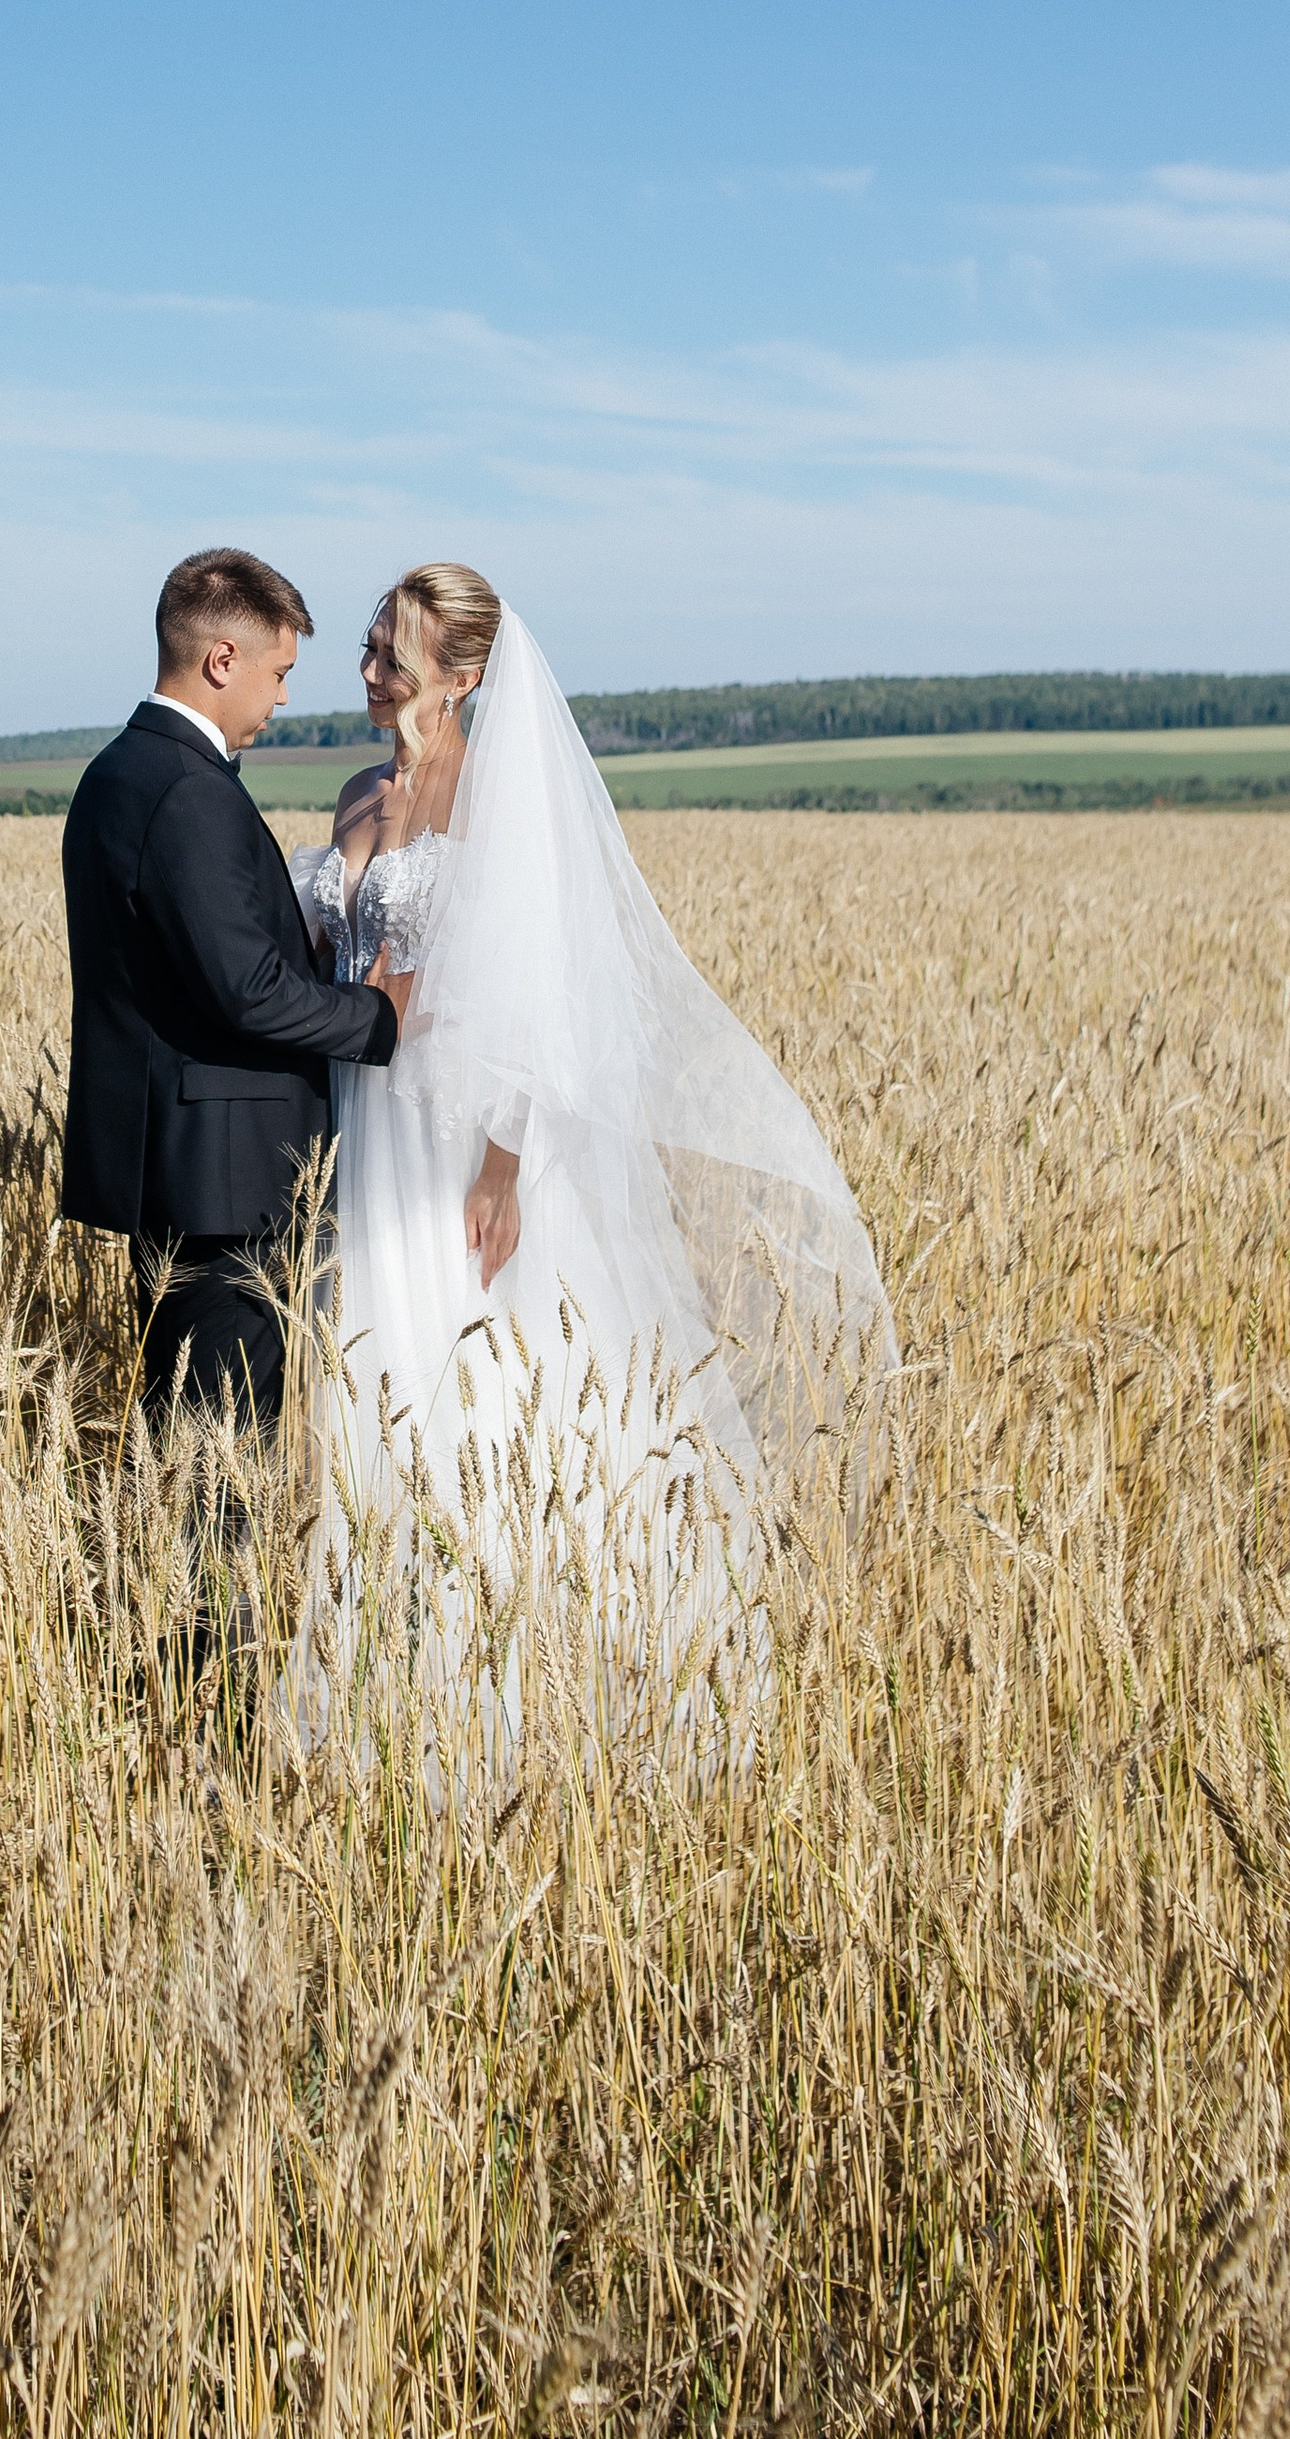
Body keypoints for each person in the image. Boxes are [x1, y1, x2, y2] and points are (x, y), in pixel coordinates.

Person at [289, 564, 889, 1712]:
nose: (366, 673)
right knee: (377, 1372)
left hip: (465, 1136)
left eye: (390, 658)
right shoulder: (361, 795)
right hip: (369, 1122)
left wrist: (504, 1170)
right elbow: (349, 961)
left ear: (461, 678)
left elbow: (537, 1004)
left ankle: (541, 1659)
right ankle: (392, 1662)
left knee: (488, 1377)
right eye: (366, 648)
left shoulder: (500, 801)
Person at [59, 546, 401, 1434]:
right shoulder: (189, 790)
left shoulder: (114, 775)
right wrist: (378, 1015)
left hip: (168, 1169)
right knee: (222, 1463)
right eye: (279, 673)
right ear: (223, 660)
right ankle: (208, 1585)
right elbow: (247, 989)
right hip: (225, 1185)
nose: (282, 697)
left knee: (185, 1440)